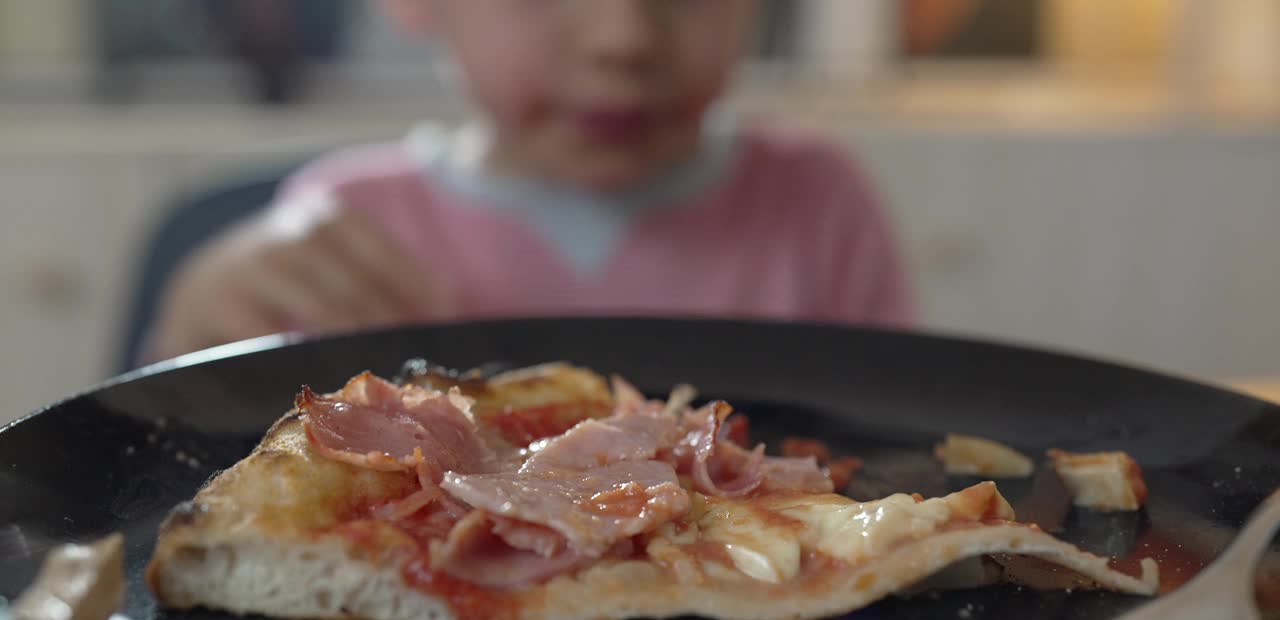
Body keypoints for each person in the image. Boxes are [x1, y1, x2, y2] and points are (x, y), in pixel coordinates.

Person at [143, 0, 914, 363]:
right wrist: (192, 326)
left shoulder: (821, 204)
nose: (625, 39)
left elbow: (900, 454)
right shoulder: (345, 222)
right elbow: (186, 471)